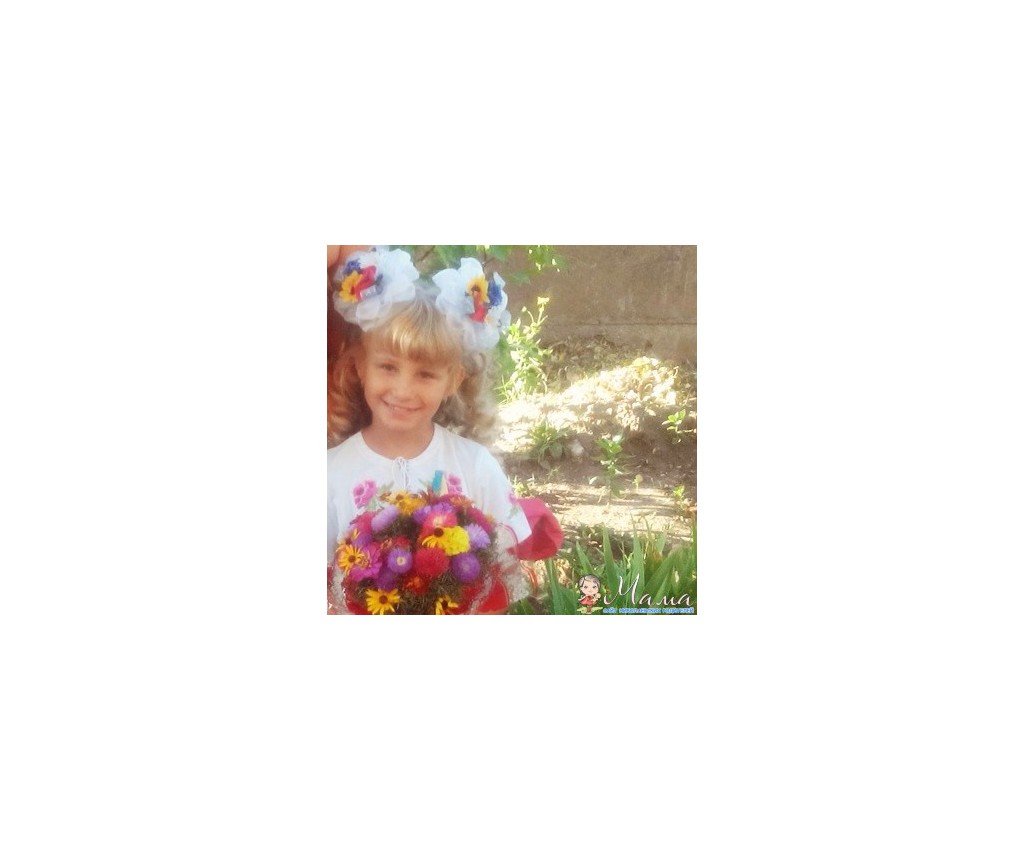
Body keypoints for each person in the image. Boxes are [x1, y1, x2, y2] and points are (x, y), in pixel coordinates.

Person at [326, 247, 531, 613]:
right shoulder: (330, 473)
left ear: (453, 379)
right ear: (360, 366)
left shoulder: (475, 466)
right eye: (388, 367)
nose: (403, 390)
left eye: (425, 374)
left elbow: (504, 576)